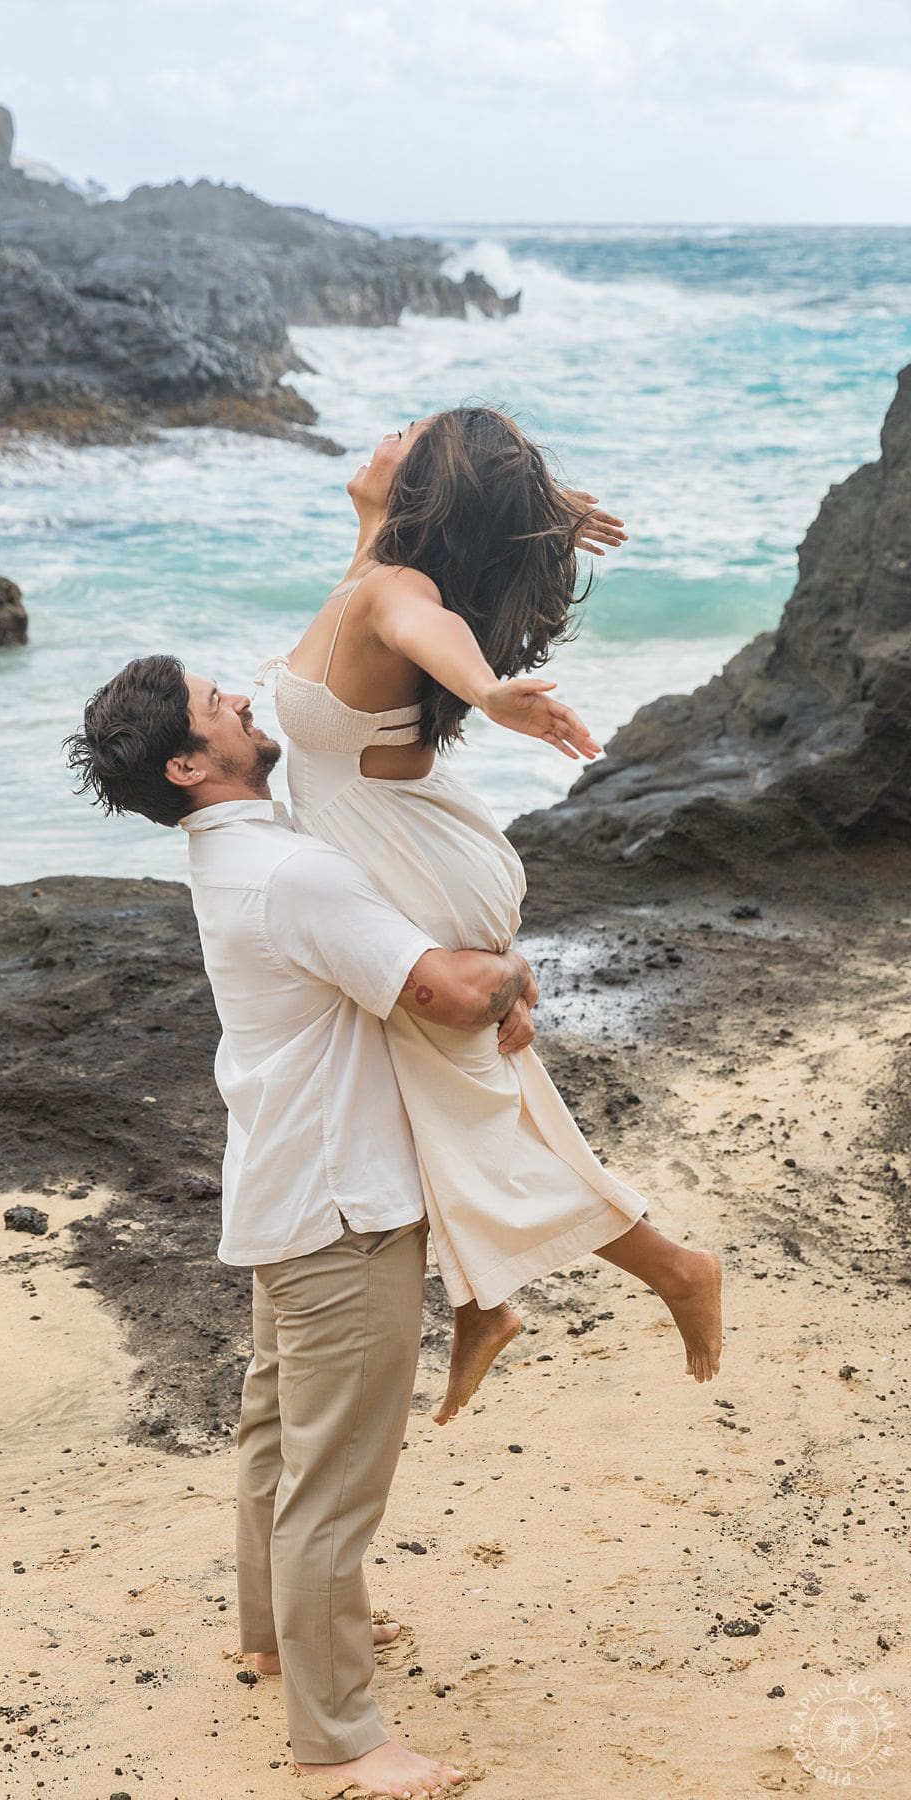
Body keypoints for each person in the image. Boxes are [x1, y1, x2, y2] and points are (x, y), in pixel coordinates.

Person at [65, 655, 536, 1798]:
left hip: (286, 1188)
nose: (238, 697)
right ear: (188, 763)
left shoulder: (227, 860)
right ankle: (341, 1737)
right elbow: (454, 992)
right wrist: (516, 969)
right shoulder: (286, 872)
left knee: (277, 1438)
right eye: (213, 703)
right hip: (341, 1207)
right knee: (335, 1478)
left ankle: (276, 1637)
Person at [255, 405, 722, 1425]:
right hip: (403, 853)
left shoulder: (396, 593)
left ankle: (668, 1268)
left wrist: (490, 691)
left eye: (405, 433)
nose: (384, 433)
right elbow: (435, 563)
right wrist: (541, 508)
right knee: (443, 1092)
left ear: (424, 488)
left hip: (404, 860)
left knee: (473, 1098)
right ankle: (489, 1297)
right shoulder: (376, 563)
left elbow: (433, 630)